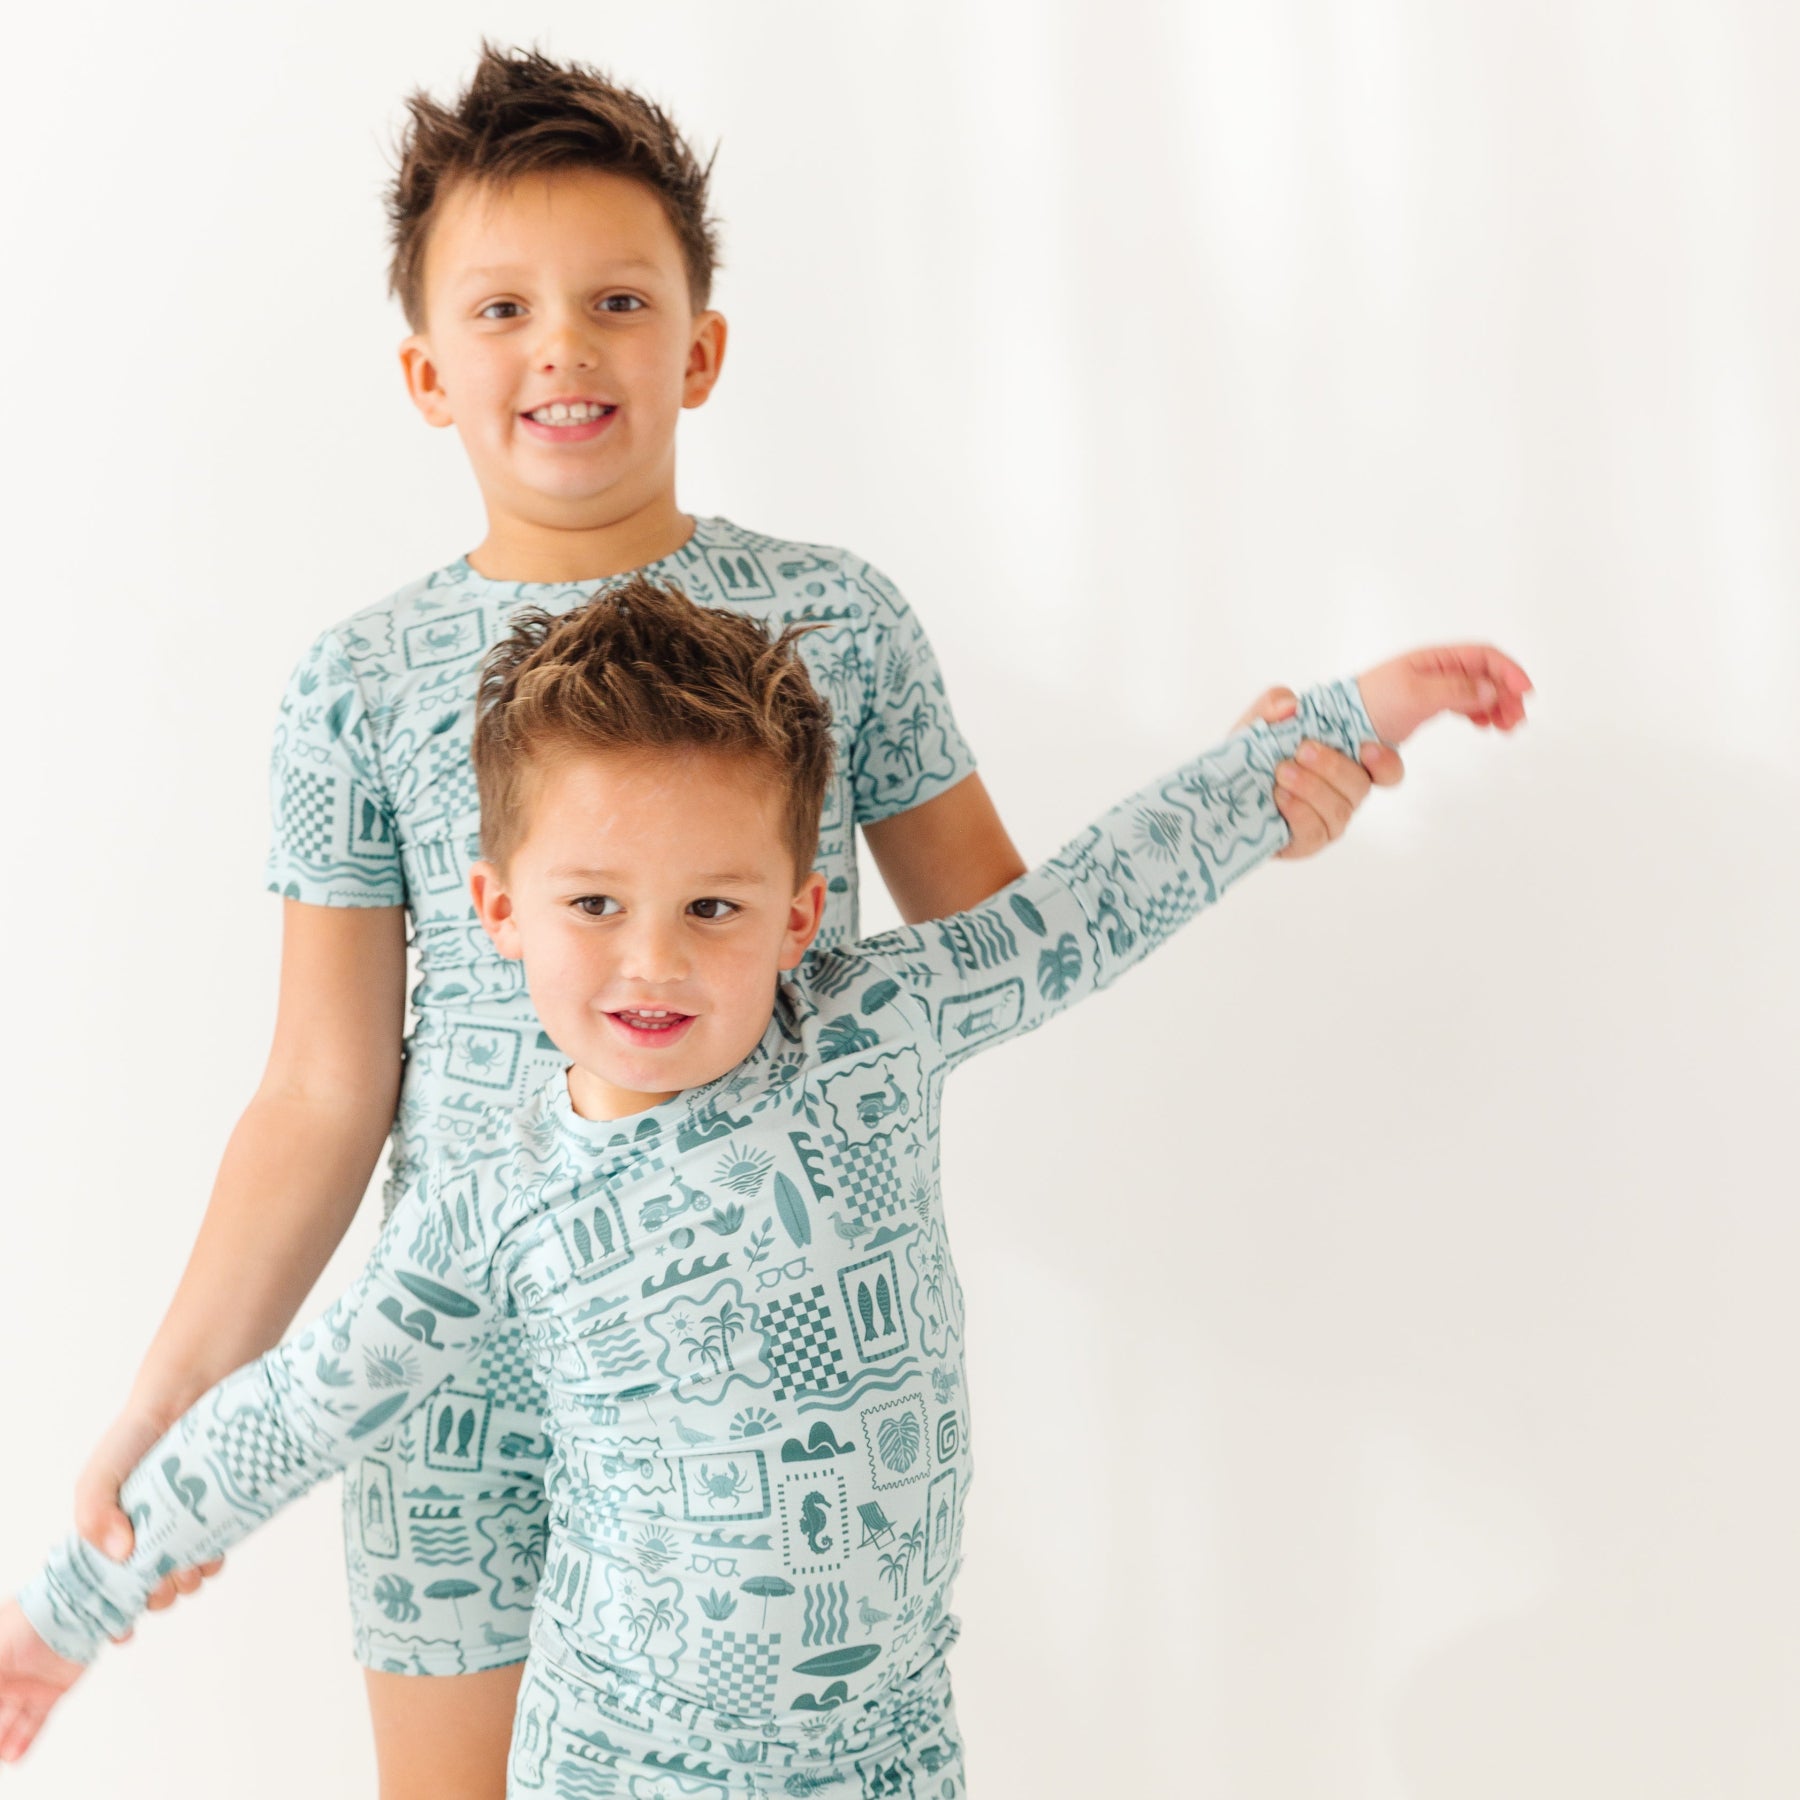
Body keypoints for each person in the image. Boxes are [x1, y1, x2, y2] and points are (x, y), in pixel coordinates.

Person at [51, 40, 1399, 1800]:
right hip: (456, 1378)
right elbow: (321, 1085)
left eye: (617, 299)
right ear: (426, 369)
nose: (563, 346)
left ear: (698, 346)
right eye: (504, 308)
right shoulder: (355, 685)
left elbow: (1001, 935)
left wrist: (1239, 806)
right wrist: (172, 1402)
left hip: (746, 1387)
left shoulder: (838, 621)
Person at [1, 579, 1530, 1790]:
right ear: (499, 911)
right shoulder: (492, 1207)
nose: (653, 960)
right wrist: (62, 1614)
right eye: (594, 903)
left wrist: (1332, 727)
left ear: (801, 913)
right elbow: (294, 1413)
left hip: (889, 1746)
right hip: (622, 1763)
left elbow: (1084, 908)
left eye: (714, 908)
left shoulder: (877, 1021)